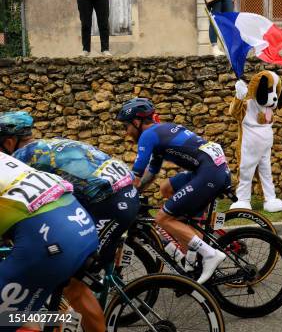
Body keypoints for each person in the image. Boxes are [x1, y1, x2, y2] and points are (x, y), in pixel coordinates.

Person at [0, 111, 139, 332]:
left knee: (73, 283)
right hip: (123, 194)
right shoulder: (45, 145)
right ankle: (64, 320)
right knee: (66, 278)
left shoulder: (20, 158)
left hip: (108, 205)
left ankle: (67, 322)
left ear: (9, 142)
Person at [0, 118, 99, 332]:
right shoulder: (10, 161)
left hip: (50, 240)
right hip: (82, 225)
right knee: (22, 309)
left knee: (7, 317)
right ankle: (64, 320)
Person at [117, 98, 230, 284]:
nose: (126, 132)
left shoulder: (147, 135)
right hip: (211, 169)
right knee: (166, 188)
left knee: (163, 218)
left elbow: (136, 174)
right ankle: (192, 254)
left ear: (136, 122)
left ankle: (210, 255)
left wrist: (123, 195)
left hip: (209, 172)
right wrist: (136, 192)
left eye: (126, 126)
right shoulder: (160, 132)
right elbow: (151, 174)